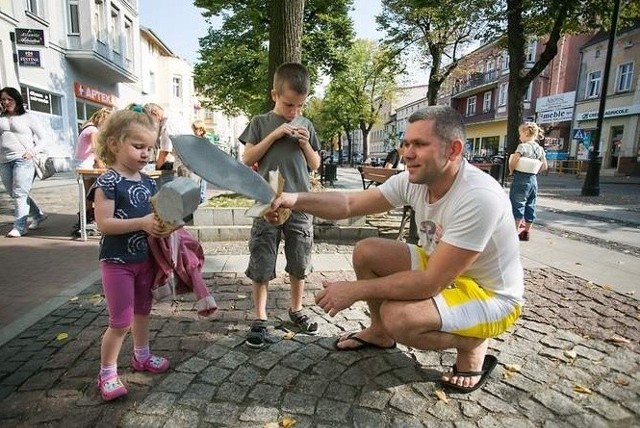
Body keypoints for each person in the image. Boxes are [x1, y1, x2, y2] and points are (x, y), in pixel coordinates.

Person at [269, 106, 524, 393]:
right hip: (443, 268)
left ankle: (473, 342)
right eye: (405, 143)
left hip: (491, 296)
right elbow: (349, 205)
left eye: (419, 144)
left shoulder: (479, 197)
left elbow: (429, 283)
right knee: (367, 251)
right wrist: (292, 198)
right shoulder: (415, 179)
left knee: (398, 318)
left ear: (453, 150)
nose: (407, 153)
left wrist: (354, 291)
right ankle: (379, 333)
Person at [88, 105, 174, 401]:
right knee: (120, 321)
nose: (145, 154)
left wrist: (166, 226)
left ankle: (141, 355)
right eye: (138, 146)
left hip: (143, 261)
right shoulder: (107, 181)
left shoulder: (149, 181)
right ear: (114, 144)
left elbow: (156, 217)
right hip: (117, 263)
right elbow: (103, 224)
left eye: (149, 148)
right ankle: (107, 373)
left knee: (142, 313)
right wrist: (143, 223)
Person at [239, 62, 321, 348]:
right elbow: (247, 159)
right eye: (288, 105)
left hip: (300, 202)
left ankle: (296, 309)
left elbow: (315, 164)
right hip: (267, 202)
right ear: (274, 94)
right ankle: (260, 318)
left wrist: (305, 144)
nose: (293, 112)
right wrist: (274, 135)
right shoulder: (260, 123)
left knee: (300, 259)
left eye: (299, 106)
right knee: (262, 257)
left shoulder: (306, 125)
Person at [0, 87, 48, 237]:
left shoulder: (28, 117)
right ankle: (38, 215)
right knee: (14, 193)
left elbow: (45, 139)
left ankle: (19, 227)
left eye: (9, 99)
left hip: (23, 159)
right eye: (2, 100)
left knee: (20, 192)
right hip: (4, 160)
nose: (6, 102)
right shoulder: (1, 118)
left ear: (17, 100)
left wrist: (32, 152)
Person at [73, 107, 111, 237]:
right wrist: (102, 168)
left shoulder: (87, 128)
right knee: (90, 193)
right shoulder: (94, 130)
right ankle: (87, 221)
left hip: (81, 163)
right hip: (86, 165)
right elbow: (96, 150)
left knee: (87, 193)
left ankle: (85, 220)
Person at [508, 121, 547, 241]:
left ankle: (513, 233)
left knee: (517, 204)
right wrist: (534, 170)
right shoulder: (540, 149)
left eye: (520, 134)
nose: (519, 137)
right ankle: (526, 232)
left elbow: (515, 159)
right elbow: (544, 166)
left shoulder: (522, 146)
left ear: (525, 133)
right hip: (533, 179)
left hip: (521, 178)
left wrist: (511, 170)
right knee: (531, 204)